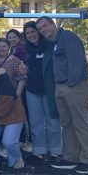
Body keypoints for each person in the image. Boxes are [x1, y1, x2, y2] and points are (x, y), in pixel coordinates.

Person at [36, 16, 88, 173]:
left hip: (75, 86)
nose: (43, 30)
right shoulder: (52, 43)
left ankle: (86, 160)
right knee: (67, 124)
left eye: (45, 26)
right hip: (60, 87)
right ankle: (70, 157)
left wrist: (70, 84)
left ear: (53, 24)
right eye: (40, 29)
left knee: (80, 123)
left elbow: (77, 62)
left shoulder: (69, 38)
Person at [22, 22, 61, 160]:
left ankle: (55, 149)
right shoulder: (27, 50)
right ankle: (39, 149)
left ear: (38, 32)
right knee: (35, 121)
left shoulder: (51, 46)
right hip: (32, 89)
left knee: (53, 119)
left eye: (33, 31)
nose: (31, 35)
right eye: (27, 33)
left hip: (49, 89)